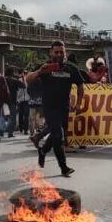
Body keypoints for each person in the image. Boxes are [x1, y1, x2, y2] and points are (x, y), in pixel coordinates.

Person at [25, 41, 84, 177]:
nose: (58, 54)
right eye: (56, 52)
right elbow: (28, 79)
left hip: (64, 107)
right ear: (50, 53)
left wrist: (79, 103)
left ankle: (43, 150)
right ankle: (63, 167)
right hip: (49, 107)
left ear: (65, 53)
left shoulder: (71, 68)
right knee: (58, 135)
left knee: (56, 133)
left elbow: (80, 86)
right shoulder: (45, 67)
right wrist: (40, 71)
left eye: (61, 52)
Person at [4, 68, 25, 138]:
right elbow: (23, 86)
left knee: (0, 117)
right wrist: (22, 77)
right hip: (12, 101)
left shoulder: (2, 79)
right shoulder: (14, 80)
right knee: (13, 118)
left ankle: (0, 131)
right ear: (12, 73)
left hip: (2, 101)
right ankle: (10, 132)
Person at [16, 70, 30, 135]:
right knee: (24, 115)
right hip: (25, 100)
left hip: (23, 100)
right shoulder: (21, 80)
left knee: (22, 115)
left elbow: (18, 91)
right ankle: (24, 129)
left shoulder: (26, 80)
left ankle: (23, 129)